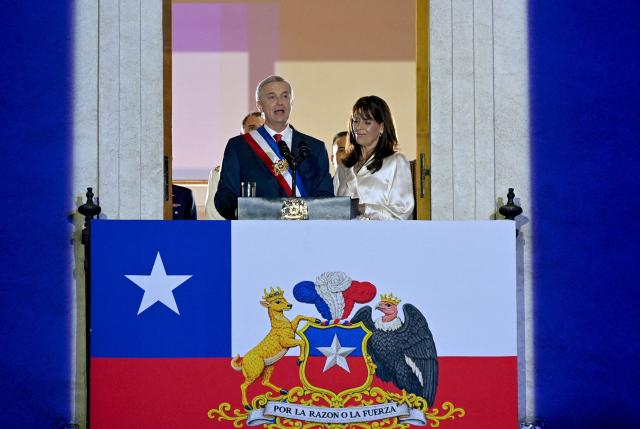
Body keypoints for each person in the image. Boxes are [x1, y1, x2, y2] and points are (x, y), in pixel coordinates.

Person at [214, 75, 334, 219]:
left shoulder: (314, 148)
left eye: (285, 96)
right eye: (272, 97)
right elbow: (225, 196)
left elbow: (325, 196)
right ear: (260, 105)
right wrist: (245, 213)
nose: (280, 102)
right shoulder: (238, 147)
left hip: (304, 234)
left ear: (291, 102)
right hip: (256, 233)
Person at [334, 96, 414, 220]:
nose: (359, 127)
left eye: (367, 122)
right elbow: (333, 210)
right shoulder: (343, 167)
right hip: (345, 236)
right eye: (356, 120)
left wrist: (364, 208)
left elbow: (403, 213)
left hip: (380, 237)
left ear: (381, 127)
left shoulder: (396, 162)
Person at [204, 112, 265, 219]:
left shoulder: (284, 170)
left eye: (263, 129)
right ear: (242, 135)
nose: (258, 133)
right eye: (252, 128)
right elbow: (214, 215)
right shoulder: (219, 173)